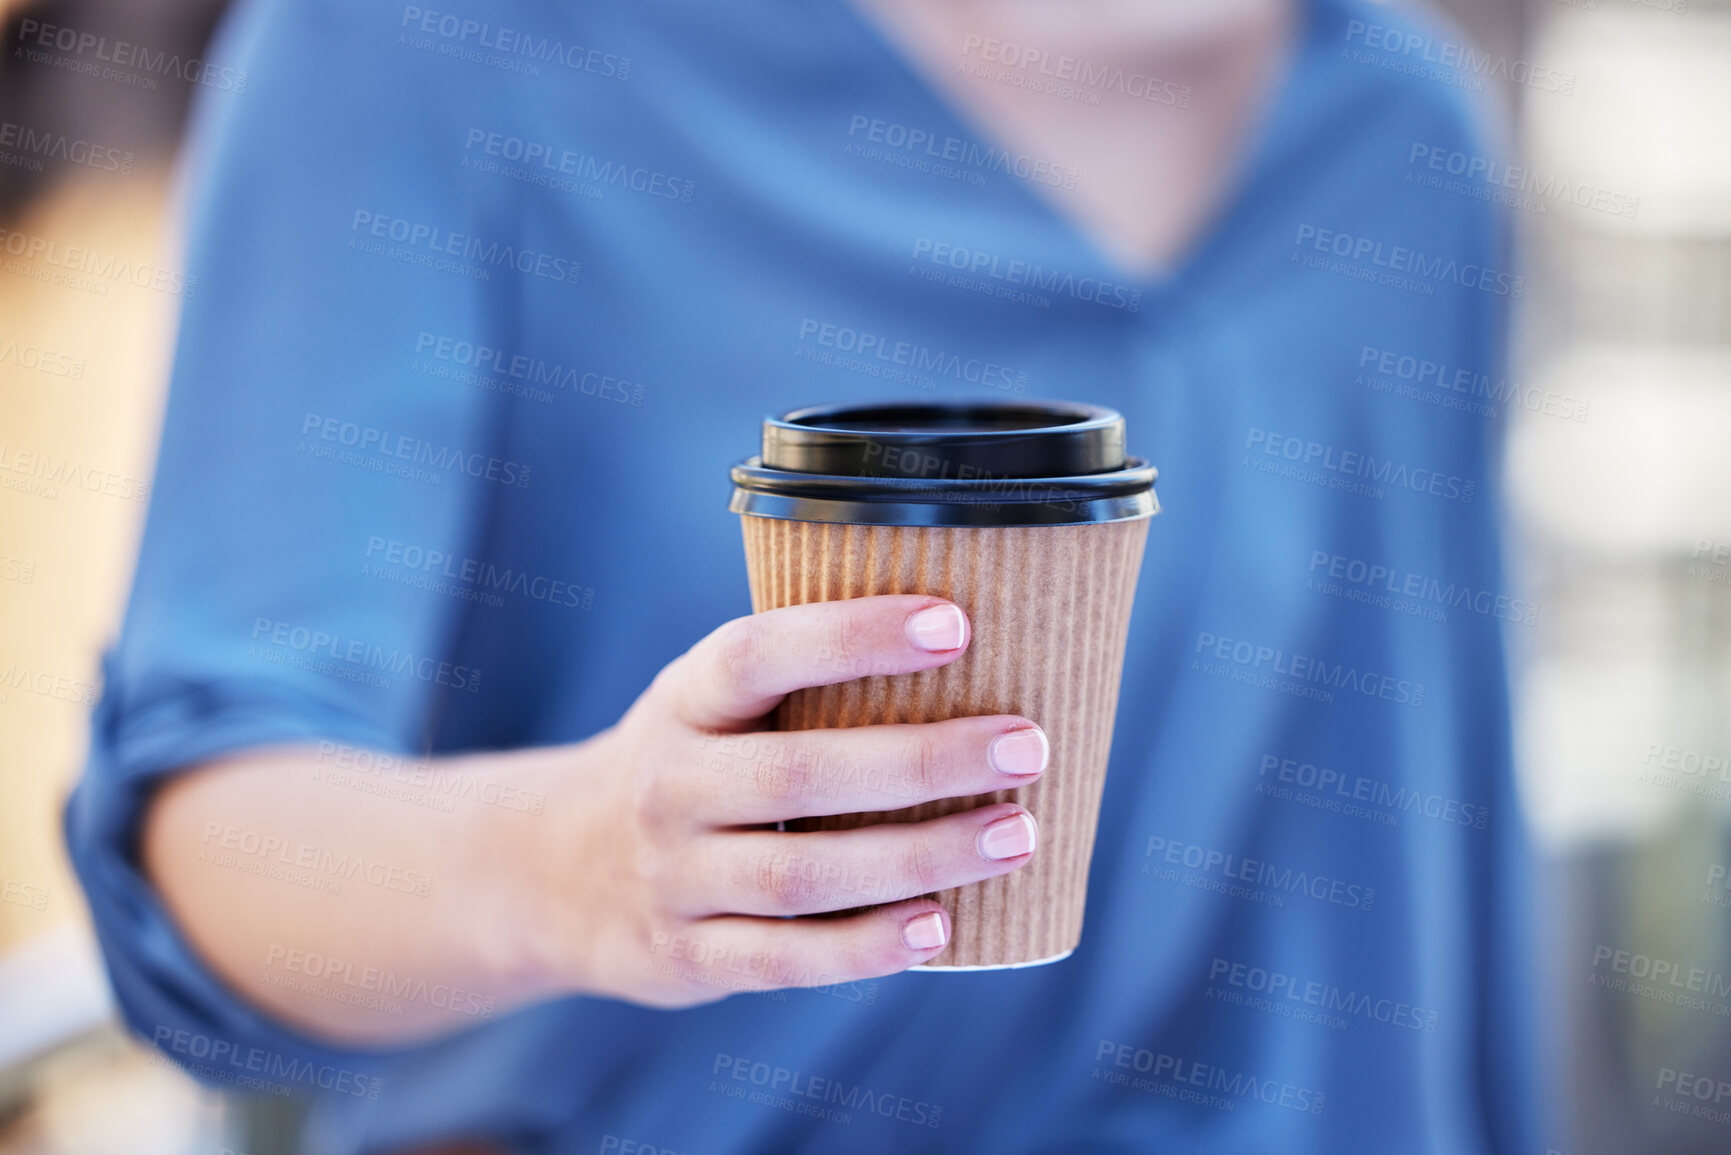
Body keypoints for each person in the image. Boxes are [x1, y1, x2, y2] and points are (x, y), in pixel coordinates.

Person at [67, 0, 1539, 1150]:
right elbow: (216, 857)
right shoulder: (422, 49)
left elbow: (1427, 871)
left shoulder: (1395, 131)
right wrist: (575, 864)